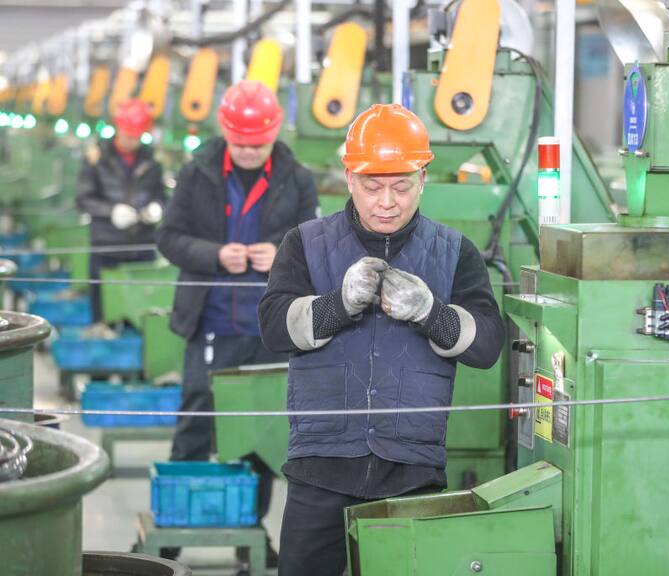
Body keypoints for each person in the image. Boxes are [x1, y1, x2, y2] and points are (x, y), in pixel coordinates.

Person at [258, 103, 505, 576]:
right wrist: (337, 305)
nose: (387, 202)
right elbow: (272, 326)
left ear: (423, 178)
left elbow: (487, 345)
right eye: (372, 186)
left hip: (411, 471)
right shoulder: (305, 244)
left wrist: (432, 314)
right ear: (349, 177)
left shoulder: (455, 254)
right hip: (321, 467)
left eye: (401, 186)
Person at [156, 80, 318, 562]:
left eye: (258, 143)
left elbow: (315, 239)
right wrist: (213, 254)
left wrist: (284, 252)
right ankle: (169, 539)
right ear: (226, 132)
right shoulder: (196, 173)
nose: (249, 151)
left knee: (260, 436)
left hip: (267, 327)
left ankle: (251, 536)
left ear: (273, 134)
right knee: (195, 424)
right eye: (241, 142)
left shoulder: (297, 177)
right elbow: (168, 237)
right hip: (211, 322)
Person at [76, 98, 165, 323]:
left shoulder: (152, 160)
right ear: (117, 128)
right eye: (127, 135)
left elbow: (162, 197)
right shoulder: (97, 158)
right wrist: (111, 211)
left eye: (137, 136)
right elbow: (83, 199)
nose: (132, 141)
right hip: (107, 247)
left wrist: (157, 208)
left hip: (142, 248)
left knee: (140, 312)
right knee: (105, 311)